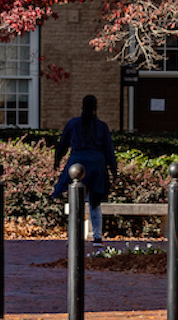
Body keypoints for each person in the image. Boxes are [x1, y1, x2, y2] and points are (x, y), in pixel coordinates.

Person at [51, 94, 119, 245]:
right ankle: (97, 237)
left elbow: (63, 144)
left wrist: (57, 161)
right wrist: (114, 172)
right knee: (95, 203)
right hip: (97, 165)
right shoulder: (101, 126)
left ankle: (74, 236)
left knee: (76, 201)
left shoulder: (74, 124)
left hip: (78, 163)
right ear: (96, 108)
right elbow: (109, 150)